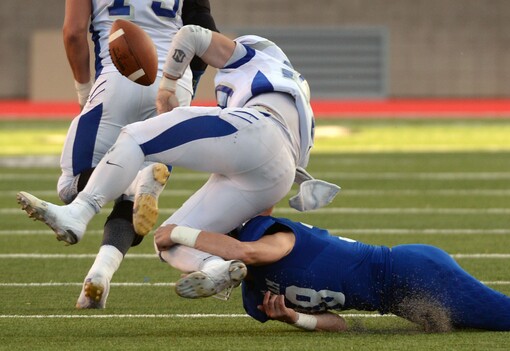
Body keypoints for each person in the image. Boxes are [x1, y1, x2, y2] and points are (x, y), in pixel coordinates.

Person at [17, 25, 339, 304]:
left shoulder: (256, 57)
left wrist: (167, 87)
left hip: (259, 130)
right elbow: (265, 195)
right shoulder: (302, 109)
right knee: (169, 239)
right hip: (277, 176)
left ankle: (79, 212)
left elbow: (191, 35)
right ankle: (214, 267)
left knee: (135, 138)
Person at [154, 194, 510, 332]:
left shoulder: (266, 239)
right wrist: (296, 318)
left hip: (410, 274)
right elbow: (340, 323)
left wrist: (172, 232)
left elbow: (243, 252)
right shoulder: (255, 301)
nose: (218, 272)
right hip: (400, 302)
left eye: (210, 261)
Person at [48, 0, 218, 309]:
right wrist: (186, 84)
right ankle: (99, 275)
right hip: (172, 81)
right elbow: (206, 32)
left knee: (70, 187)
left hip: (117, 78)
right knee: (133, 204)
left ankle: (130, 184)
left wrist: (83, 90)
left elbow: (73, 32)